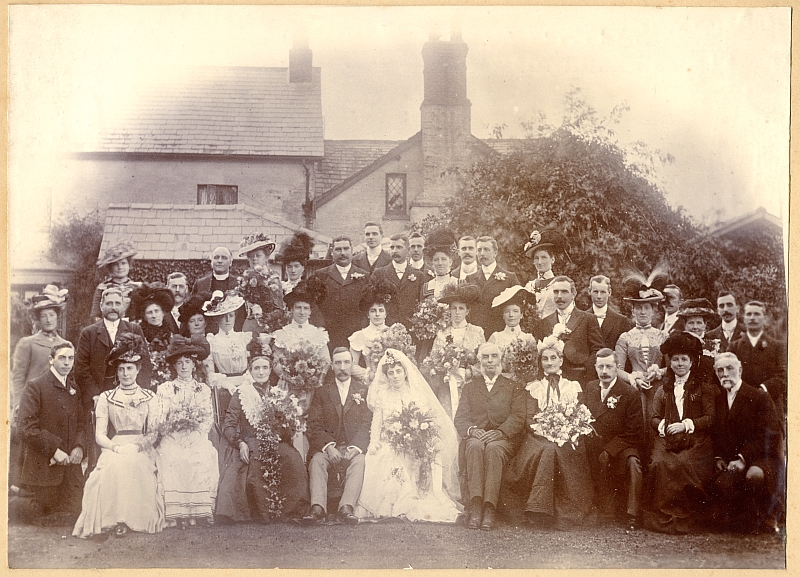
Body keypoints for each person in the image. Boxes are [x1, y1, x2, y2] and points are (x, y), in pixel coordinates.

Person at [355, 349, 462, 522]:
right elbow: (377, 423)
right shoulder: (382, 395)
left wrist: (417, 440)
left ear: (405, 372)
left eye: (399, 371)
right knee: (381, 455)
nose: (395, 376)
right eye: (391, 373)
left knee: (408, 456)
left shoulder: (416, 394)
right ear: (386, 376)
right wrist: (374, 442)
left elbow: (426, 423)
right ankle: (387, 506)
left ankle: (408, 502)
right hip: (388, 441)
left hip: (413, 442)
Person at [72, 334, 163, 538]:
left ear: (138, 370)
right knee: (112, 467)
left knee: (135, 464)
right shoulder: (107, 397)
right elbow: (100, 435)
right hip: (116, 445)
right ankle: (114, 520)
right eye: (121, 369)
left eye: (130, 368)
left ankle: (130, 519)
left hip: (141, 445)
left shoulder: (150, 397)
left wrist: (139, 447)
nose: (125, 373)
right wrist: (116, 448)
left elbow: (154, 432)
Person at [216, 336, 310, 523]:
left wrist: (287, 426)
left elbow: (287, 427)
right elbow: (228, 425)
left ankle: (291, 510)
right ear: (250, 371)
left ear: (270, 370)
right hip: (250, 441)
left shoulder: (277, 394)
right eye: (256, 368)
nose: (261, 372)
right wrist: (240, 442)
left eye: (265, 368)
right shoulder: (241, 394)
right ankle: (262, 512)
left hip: (275, 441)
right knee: (256, 462)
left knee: (292, 458)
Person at [506, 336, 593, 528]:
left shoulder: (572, 387)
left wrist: (566, 431)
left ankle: (557, 511)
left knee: (556, 449)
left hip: (567, 436)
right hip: (537, 437)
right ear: (541, 362)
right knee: (548, 449)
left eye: (553, 358)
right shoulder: (534, 387)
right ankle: (539, 509)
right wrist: (547, 431)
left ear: (561, 360)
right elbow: (529, 419)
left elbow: (578, 413)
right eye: (545, 359)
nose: (550, 362)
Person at [646, 332, 717, 534]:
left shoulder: (703, 387)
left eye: (684, 359)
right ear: (669, 361)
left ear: (692, 361)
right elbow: (653, 417)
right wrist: (664, 425)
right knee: (659, 463)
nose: (679, 364)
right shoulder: (663, 388)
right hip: (667, 438)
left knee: (684, 463)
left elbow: (710, 418)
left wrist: (686, 424)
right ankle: (664, 514)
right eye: (675, 359)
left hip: (697, 439)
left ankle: (686, 514)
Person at [454, 343, 526, 531]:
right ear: (479, 362)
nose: (490, 361)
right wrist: (471, 430)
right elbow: (460, 417)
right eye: (485, 357)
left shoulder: (513, 387)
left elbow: (519, 416)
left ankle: (489, 508)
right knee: (475, 446)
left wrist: (501, 432)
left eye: (494, 356)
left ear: (500, 360)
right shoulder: (470, 388)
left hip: (502, 439)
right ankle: (476, 506)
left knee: (493, 449)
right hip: (477, 437)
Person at [711, 352, 784, 534]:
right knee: (722, 484)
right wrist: (719, 457)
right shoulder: (719, 400)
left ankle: (764, 516)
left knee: (755, 475)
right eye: (720, 370)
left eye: (730, 369)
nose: (725, 374)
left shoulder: (759, 397)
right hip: (734, 459)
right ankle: (746, 517)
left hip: (762, 458)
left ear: (740, 370)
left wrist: (743, 458)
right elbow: (717, 434)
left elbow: (771, 436)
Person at [152, 334, 218, 528]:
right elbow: (159, 417)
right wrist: (170, 431)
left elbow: (208, 418)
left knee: (203, 453)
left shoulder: (203, 389)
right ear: (174, 366)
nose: (183, 367)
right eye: (179, 363)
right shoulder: (164, 389)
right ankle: (177, 512)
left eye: (187, 362)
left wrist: (196, 435)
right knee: (172, 455)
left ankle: (197, 511)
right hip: (172, 436)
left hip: (196, 436)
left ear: (193, 364)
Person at [15, 343, 84, 525]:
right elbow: (26, 427)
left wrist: (79, 446)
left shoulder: (74, 388)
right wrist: (54, 450)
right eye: (62, 358)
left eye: (71, 358)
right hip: (45, 465)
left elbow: (82, 423)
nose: (67, 363)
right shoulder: (36, 386)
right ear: (51, 359)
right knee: (42, 511)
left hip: (70, 466)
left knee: (76, 509)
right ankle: (14, 500)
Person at [10, 285, 69, 491]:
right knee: (31, 444)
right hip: (32, 402)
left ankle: (52, 490)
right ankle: (24, 489)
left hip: (55, 404)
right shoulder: (28, 343)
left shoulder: (65, 345)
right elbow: (18, 378)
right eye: (43, 316)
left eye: (52, 315)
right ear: (38, 319)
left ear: (57, 317)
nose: (48, 319)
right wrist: (18, 403)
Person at [303, 348, 372, 525]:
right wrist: (328, 447)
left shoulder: (363, 391)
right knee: (317, 460)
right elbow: (313, 425)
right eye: (338, 363)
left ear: (352, 365)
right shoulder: (322, 392)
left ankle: (346, 508)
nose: (342, 367)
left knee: (361, 461)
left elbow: (366, 425)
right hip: (328, 448)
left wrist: (355, 448)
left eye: (346, 362)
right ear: (332, 366)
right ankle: (317, 508)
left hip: (351, 448)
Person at [75, 287, 152, 435]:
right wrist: (94, 395)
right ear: (101, 305)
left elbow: (145, 364)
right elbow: (81, 368)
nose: (113, 307)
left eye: (117, 303)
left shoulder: (134, 329)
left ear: (123, 306)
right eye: (109, 303)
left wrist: (140, 394)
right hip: (99, 397)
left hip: (130, 396)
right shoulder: (89, 333)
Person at [584, 349, 644, 531]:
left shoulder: (630, 393)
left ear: (617, 368)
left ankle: (632, 513)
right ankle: (593, 507)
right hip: (595, 443)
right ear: (595, 368)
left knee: (633, 464)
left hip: (622, 444)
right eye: (600, 367)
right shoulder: (590, 387)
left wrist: (610, 450)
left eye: (609, 367)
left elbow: (634, 431)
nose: (604, 371)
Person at [203, 290, 252, 471]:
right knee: (228, 426)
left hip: (246, 384)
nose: (228, 320)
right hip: (224, 388)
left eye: (231, 316)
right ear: (217, 319)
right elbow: (210, 374)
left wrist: (247, 382)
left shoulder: (243, 337)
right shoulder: (212, 341)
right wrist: (228, 384)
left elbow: (251, 366)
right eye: (223, 317)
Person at [614, 283, 669, 430]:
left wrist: (659, 372)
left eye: (646, 308)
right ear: (633, 311)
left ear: (653, 311)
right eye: (638, 308)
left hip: (659, 388)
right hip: (634, 389)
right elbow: (617, 369)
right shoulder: (625, 337)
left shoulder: (663, 336)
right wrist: (633, 377)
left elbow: (672, 366)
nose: (642, 312)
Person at [532, 276, 604, 386]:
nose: (559, 296)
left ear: (573, 294)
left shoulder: (588, 319)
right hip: (551, 382)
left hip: (580, 381)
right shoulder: (544, 322)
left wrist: (585, 372)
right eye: (556, 292)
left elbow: (597, 351)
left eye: (564, 292)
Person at [430, 283, 486, 418]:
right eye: (453, 308)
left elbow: (484, 361)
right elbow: (433, 359)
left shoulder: (477, 331)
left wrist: (468, 372)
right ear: (449, 310)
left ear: (467, 311)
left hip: (469, 384)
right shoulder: (442, 333)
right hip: (447, 386)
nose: (457, 312)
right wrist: (445, 372)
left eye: (461, 308)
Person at [729, 301, 787, 422]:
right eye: (749, 314)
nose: (752, 318)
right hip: (742, 409)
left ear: (764, 318)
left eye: (757, 314)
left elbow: (783, 376)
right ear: (744, 318)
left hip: (770, 408)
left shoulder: (777, 346)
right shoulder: (734, 347)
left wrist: (763, 389)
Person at [313, 236, 370, 351]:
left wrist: (364, 327)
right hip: (330, 334)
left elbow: (368, 305)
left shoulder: (364, 276)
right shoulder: (321, 275)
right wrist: (320, 326)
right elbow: (314, 304)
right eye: (338, 249)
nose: (342, 253)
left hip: (357, 334)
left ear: (352, 250)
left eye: (346, 249)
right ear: (332, 252)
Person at [465, 236, 520, 338]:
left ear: (495, 252)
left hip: (500, 333)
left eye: (486, 249)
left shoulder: (509, 278)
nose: (482, 253)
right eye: (479, 250)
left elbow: (518, 306)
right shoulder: (470, 279)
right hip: (475, 334)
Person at [371, 234, 424, 328]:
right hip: (386, 328)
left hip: (411, 328)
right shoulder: (379, 274)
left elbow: (421, 305)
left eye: (399, 247)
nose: (394, 251)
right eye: (392, 247)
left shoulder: (419, 276)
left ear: (408, 250)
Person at [349, 278, 398, 380]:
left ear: (386, 313)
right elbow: (352, 366)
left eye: (381, 310)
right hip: (369, 381)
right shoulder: (360, 335)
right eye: (373, 311)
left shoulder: (394, 333)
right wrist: (370, 374)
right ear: (368, 314)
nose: (377, 314)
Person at [236, 233, 284, 334]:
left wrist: (264, 316)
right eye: (251, 256)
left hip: (268, 327)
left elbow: (280, 311)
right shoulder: (245, 279)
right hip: (248, 326)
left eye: (258, 256)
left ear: (266, 258)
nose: (254, 259)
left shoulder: (272, 279)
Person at [89, 240, 141, 321]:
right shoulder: (102, 288)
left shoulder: (136, 287)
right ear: (110, 267)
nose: (120, 267)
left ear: (129, 265)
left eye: (123, 263)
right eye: (116, 264)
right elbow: (96, 315)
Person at [522, 229, 568, 320]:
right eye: (536, 258)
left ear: (552, 259)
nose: (539, 262)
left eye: (544, 257)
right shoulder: (529, 286)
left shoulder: (559, 285)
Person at [487, 285, 536, 355]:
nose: (511, 315)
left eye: (515, 311)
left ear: (521, 314)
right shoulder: (495, 338)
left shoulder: (528, 339)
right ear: (503, 315)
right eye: (507, 312)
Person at [588, 275, 632, 351]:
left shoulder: (621, 321)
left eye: (603, 292)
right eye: (595, 291)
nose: (599, 296)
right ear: (589, 291)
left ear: (609, 292)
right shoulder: (581, 318)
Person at [128, 282, 177, 346]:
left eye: (156, 311)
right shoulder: (138, 334)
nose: (154, 316)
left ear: (163, 313)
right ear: (144, 316)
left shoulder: (171, 332)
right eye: (149, 313)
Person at [419, 227, 458, 300]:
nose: (440, 263)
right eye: (436, 260)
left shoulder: (459, 283)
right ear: (432, 262)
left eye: (444, 259)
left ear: (450, 261)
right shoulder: (426, 287)